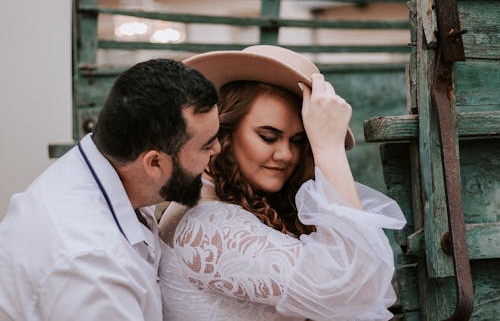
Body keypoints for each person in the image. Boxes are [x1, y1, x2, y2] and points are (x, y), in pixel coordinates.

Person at [158, 45, 406, 321]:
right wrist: (328, 148)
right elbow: (358, 288)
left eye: (299, 141)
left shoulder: (228, 204)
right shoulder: (207, 226)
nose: (286, 155)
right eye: (268, 136)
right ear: (224, 132)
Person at [0, 59, 221, 320]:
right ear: (154, 163)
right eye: (206, 145)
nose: (218, 149)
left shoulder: (115, 171)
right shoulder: (91, 268)